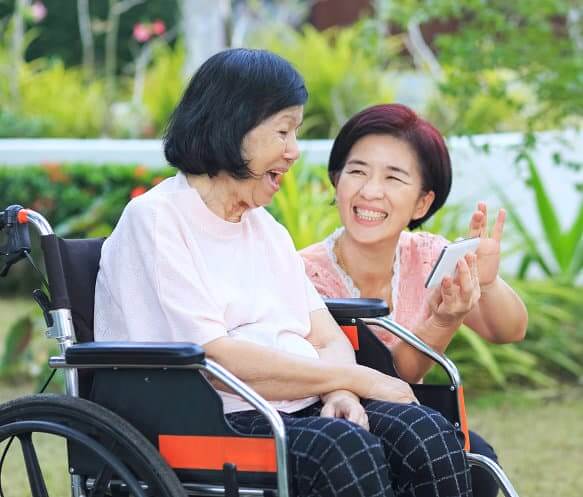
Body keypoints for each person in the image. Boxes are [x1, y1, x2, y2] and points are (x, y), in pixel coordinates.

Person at [94, 50, 472, 497]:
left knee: (427, 435)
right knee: (346, 451)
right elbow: (216, 360)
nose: (293, 152)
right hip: (207, 421)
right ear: (233, 128)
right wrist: (357, 379)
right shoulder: (157, 219)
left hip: (297, 405)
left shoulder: (265, 229)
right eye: (283, 131)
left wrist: (340, 394)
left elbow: (327, 337)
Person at [300, 103, 528, 497]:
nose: (370, 191)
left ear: (422, 202)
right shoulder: (301, 273)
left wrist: (486, 283)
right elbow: (389, 377)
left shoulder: (428, 257)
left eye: (393, 177)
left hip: (413, 419)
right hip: (339, 429)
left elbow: (509, 330)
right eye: (356, 171)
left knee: (479, 459)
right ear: (336, 181)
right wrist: (441, 322)